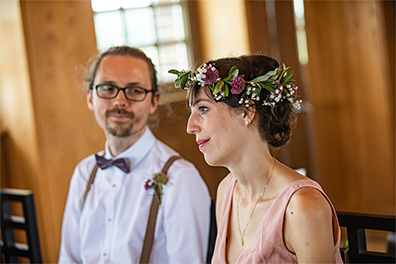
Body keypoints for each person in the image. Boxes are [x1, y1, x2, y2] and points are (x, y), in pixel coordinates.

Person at [169, 55, 343, 263]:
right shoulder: (226, 191)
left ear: (247, 112)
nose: (190, 127)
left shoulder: (302, 207)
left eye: (203, 109)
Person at [59, 46, 211, 263]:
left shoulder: (180, 179)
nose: (120, 101)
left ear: (154, 101)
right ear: (90, 97)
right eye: (107, 88)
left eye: (134, 90)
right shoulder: (84, 172)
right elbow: (68, 258)